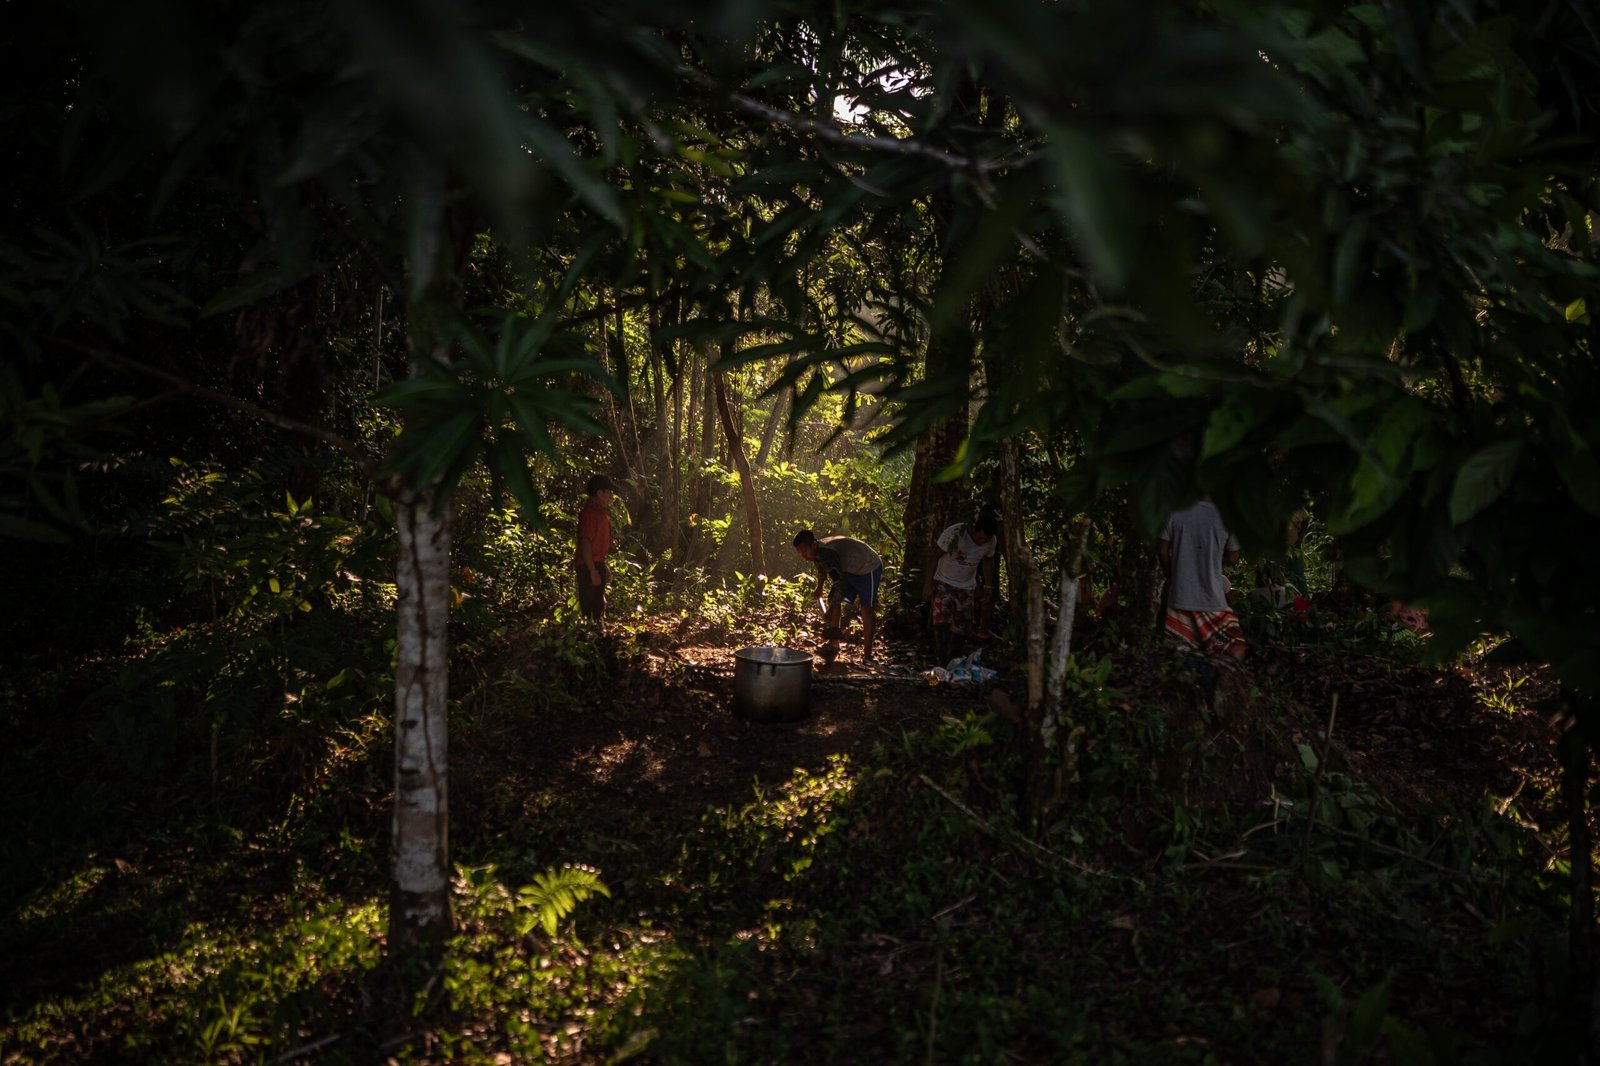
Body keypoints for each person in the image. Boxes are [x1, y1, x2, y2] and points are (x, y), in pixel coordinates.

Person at [1157, 495, 1246, 660]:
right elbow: (1233, 558)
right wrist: (1211, 557)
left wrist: (1171, 575)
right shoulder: (1227, 516)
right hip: (1212, 601)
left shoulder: (1174, 509)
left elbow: (1162, 551)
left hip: (1180, 600)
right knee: (1234, 650)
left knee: (1179, 659)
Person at [793, 528, 883, 664]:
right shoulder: (816, 552)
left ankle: (867, 655)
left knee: (866, 607)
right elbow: (821, 568)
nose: (803, 555)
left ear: (813, 544)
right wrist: (820, 586)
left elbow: (840, 584)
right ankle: (834, 643)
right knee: (832, 599)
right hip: (849, 569)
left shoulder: (827, 553)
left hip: (867, 565)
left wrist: (830, 610)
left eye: (804, 551)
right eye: (800, 553)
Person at [922, 514, 999, 661]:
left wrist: (988, 586)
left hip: (966, 586)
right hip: (943, 581)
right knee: (941, 620)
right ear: (974, 530)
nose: (981, 542)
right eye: (979, 538)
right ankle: (942, 658)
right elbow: (934, 556)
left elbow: (988, 561)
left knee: (963, 623)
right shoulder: (954, 534)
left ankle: (954, 657)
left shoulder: (991, 542)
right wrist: (928, 584)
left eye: (985, 540)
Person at [574, 474, 615, 627]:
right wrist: (592, 570)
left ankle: (595, 635)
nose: (611, 496)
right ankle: (590, 636)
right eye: (609, 492)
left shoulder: (599, 512)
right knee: (591, 610)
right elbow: (585, 543)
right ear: (599, 493)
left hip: (596, 564)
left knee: (597, 606)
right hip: (588, 566)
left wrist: (602, 566)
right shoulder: (590, 513)